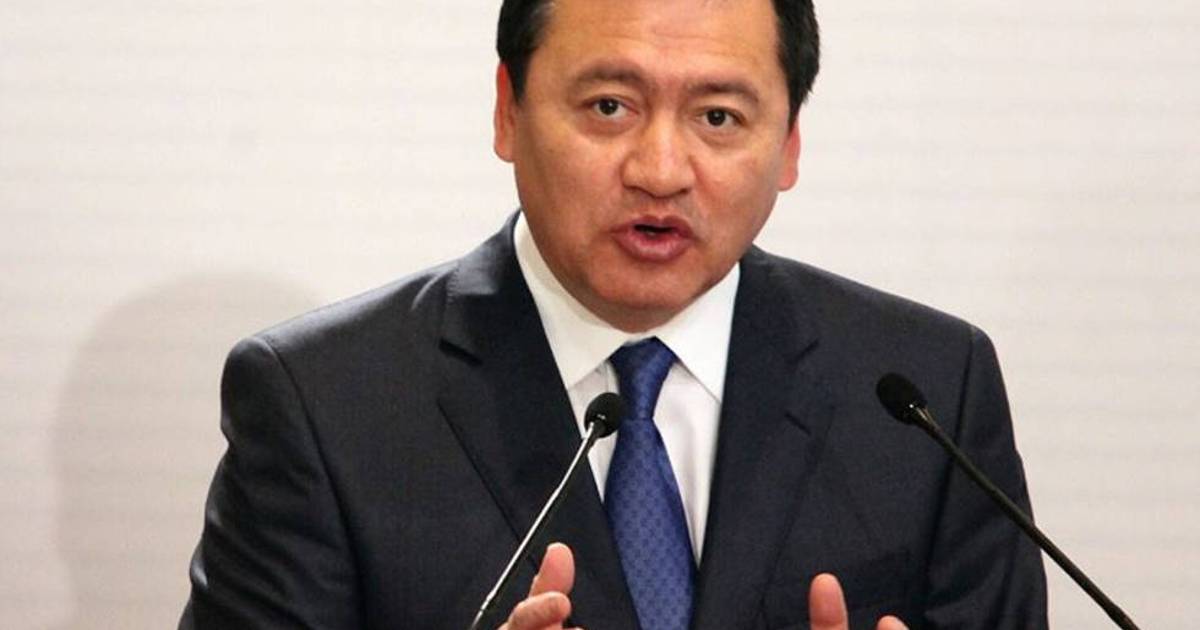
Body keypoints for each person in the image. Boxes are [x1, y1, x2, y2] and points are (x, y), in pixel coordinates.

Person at [181, 0, 1048, 628]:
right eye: (609, 107)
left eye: (718, 116)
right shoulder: (323, 404)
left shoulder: (925, 396)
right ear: (507, 110)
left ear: (789, 144)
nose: (660, 169)